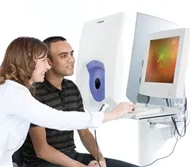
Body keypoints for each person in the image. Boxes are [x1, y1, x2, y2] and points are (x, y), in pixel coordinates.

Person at [0, 36, 134, 167]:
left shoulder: (15, 91)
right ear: (29, 62)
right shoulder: (13, 94)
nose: (47, 66)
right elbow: (59, 120)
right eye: (43, 60)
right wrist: (112, 114)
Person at [19, 36, 139, 167]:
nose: (71, 60)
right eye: (63, 56)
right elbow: (42, 151)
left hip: (70, 156)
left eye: (71, 54)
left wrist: (100, 159)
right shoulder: (34, 92)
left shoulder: (71, 87)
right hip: (42, 162)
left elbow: (84, 132)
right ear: (48, 62)